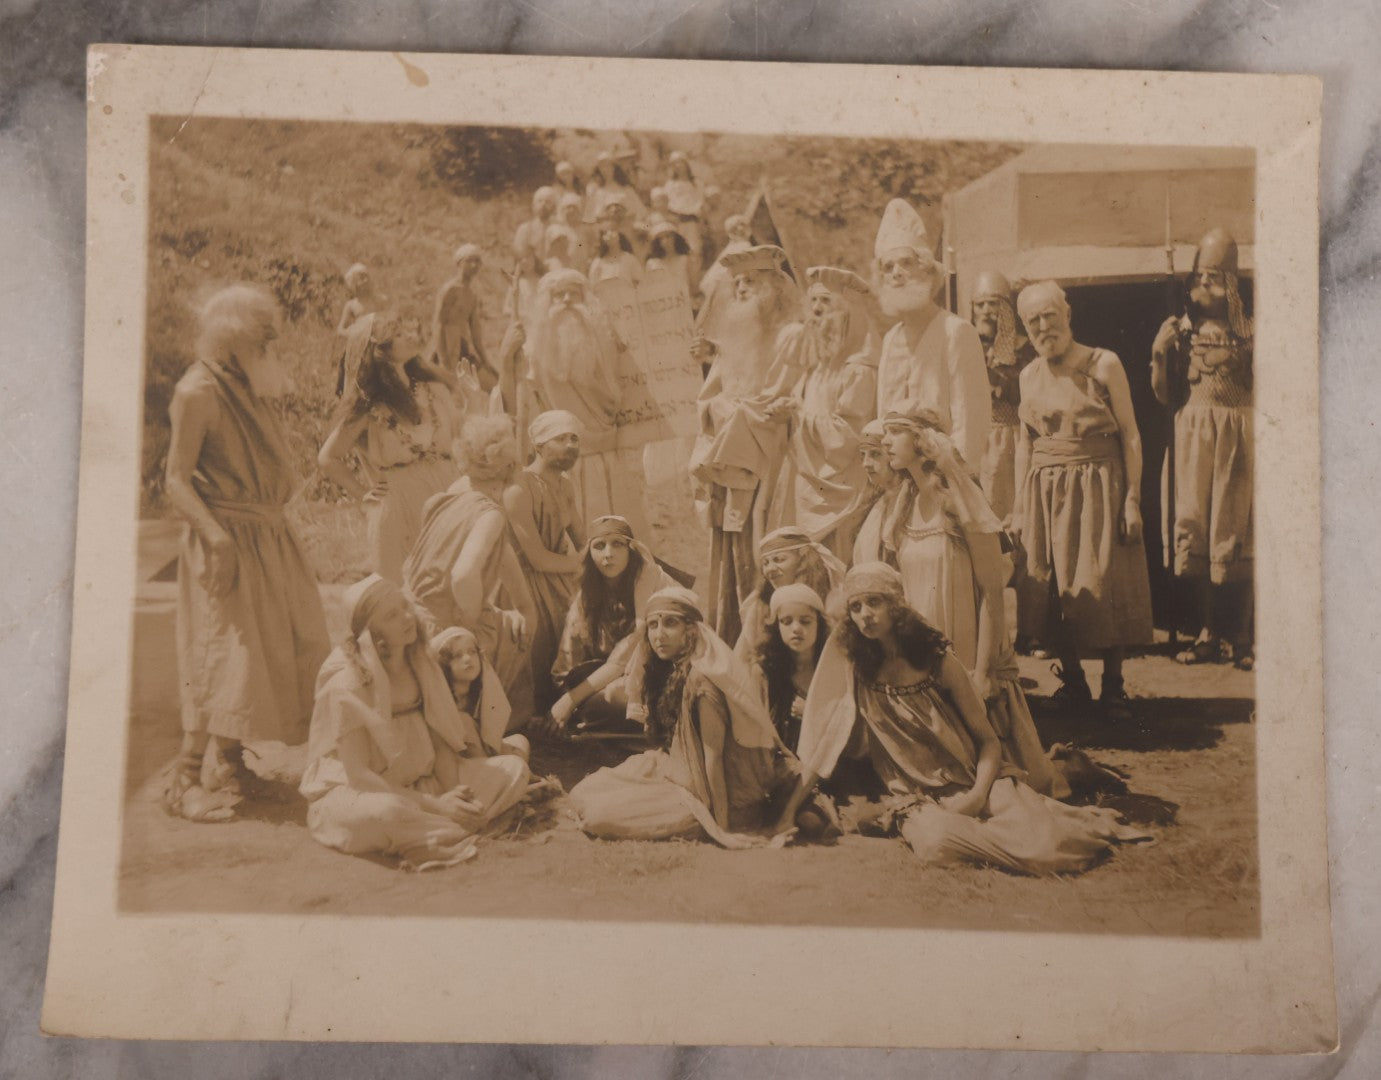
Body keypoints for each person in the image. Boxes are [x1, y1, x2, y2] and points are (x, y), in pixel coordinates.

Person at [779, 564, 1149, 873]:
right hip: (915, 796)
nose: (864, 615)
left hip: (974, 776)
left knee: (1048, 848)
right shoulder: (855, 666)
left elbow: (988, 742)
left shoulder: (937, 659)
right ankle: (998, 825)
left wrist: (974, 798)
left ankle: (1052, 787)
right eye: (856, 607)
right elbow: (822, 741)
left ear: (897, 606)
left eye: (874, 602)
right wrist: (787, 815)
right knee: (936, 845)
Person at [163, 284, 330, 822]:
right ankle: (183, 780)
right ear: (234, 339)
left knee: (262, 657)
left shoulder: (247, 383)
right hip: (227, 541)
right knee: (222, 659)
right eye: (265, 336)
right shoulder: (198, 392)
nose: (274, 343)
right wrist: (215, 537)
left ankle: (229, 767)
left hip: (267, 538)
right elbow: (174, 481)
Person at [879, 406, 1067, 797]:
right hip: (922, 645)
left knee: (1003, 768)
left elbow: (993, 595)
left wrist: (982, 672)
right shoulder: (903, 503)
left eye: (896, 432)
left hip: (964, 641)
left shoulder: (961, 502)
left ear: (924, 440)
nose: (884, 441)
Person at [300, 575, 530, 870]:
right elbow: (359, 776)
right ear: (372, 631)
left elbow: (439, 739)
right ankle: (444, 829)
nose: (408, 617)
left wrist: (452, 792)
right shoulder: (350, 684)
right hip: (369, 792)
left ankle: (437, 832)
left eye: (405, 607)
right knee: (388, 812)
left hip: (423, 785)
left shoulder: (422, 665)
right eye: (392, 615)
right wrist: (438, 805)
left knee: (513, 770)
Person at [1014, 281, 1154, 717]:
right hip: (1045, 489)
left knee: (1106, 578)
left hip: (1098, 484)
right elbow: (1025, 442)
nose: (1042, 326)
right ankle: (1072, 682)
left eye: (1048, 315)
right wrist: (1020, 506)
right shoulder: (1027, 375)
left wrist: (1132, 498)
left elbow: (1130, 434)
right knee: (1050, 583)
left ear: (1066, 314)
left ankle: (1113, 687)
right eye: (1032, 320)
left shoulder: (1102, 364)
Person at [568, 587, 795, 847]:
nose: (659, 634)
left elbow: (714, 759)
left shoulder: (702, 682)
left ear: (691, 630)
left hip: (710, 793)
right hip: (675, 768)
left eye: (670, 623)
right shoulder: (667, 668)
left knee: (599, 816)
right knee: (583, 792)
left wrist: (723, 830)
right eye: (653, 625)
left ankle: (703, 819)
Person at [1151, 228, 1254, 669]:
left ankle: (1244, 636)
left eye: (1215, 277)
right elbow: (1163, 394)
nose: (1205, 286)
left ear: (1231, 283)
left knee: (1236, 531)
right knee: (1195, 528)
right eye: (1200, 276)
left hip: (1237, 439)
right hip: (1192, 438)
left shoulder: (1250, 333)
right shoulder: (1182, 331)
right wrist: (1159, 353)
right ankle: (1208, 632)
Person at [688, 246, 803, 644]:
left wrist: (744, 415)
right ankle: (733, 635)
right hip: (729, 454)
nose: (740, 290)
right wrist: (722, 412)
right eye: (736, 284)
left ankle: (769, 637)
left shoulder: (791, 335)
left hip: (770, 456)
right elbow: (708, 398)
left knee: (764, 539)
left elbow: (788, 396)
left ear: (773, 288)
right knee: (731, 547)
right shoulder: (733, 337)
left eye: (749, 282)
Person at [403, 414, 540, 730]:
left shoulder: (444, 499)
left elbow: (500, 557)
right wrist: (472, 619)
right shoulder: (489, 514)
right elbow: (463, 575)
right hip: (441, 629)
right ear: (507, 468)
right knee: (501, 630)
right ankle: (488, 727)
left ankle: (484, 720)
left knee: (511, 619)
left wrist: (523, 607)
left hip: (412, 614)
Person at [318, 314, 462, 583]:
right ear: (380, 349)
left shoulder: (433, 388)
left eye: (407, 329)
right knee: (405, 590)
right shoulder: (370, 404)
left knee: (453, 583)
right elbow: (328, 458)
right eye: (397, 334)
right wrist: (364, 496)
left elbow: (460, 435)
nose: (409, 336)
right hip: (400, 504)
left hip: (444, 491)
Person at [518, 268, 658, 536]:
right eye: (559, 296)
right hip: (561, 453)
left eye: (574, 294)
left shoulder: (601, 342)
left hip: (603, 446)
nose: (567, 301)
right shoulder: (536, 350)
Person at [873, 199, 990, 469]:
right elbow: (883, 418)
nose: (897, 274)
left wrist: (951, 485)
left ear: (925, 268)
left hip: (945, 477)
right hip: (899, 479)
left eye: (906, 263)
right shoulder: (891, 339)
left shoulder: (956, 332)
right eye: (888, 267)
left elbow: (970, 427)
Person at [768, 266, 881, 545]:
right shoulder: (817, 369)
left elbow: (847, 436)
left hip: (841, 485)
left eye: (826, 301)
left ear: (848, 314)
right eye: (813, 301)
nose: (816, 310)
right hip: (807, 476)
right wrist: (789, 406)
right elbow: (806, 408)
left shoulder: (858, 371)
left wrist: (797, 414)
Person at [549, 515, 678, 729]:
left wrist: (570, 700)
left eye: (617, 544)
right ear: (589, 553)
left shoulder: (650, 582)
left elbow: (626, 654)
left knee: (614, 697)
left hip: (664, 670)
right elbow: (567, 657)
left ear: (630, 549)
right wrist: (561, 699)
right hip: (617, 676)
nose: (608, 554)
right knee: (599, 701)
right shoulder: (586, 597)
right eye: (599, 546)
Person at [502, 410, 586, 710]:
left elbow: (580, 536)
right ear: (538, 445)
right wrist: (584, 563)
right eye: (560, 438)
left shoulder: (564, 485)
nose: (570, 445)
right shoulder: (518, 487)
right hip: (522, 584)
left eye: (574, 438)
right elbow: (536, 558)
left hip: (558, 573)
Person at [970, 269, 1036, 525]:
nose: (986, 310)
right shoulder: (967, 345)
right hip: (977, 440)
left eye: (994, 303)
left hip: (1014, 439)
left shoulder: (1025, 349)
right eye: (980, 304)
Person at [735, 525, 846, 664]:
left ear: (803, 561)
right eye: (766, 563)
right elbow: (743, 656)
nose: (770, 569)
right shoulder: (760, 606)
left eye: (779, 560)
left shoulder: (832, 600)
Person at [431, 626, 533, 763]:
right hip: (457, 761)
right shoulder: (445, 701)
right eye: (457, 655)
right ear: (444, 665)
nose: (467, 659)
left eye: (472, 652)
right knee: (514, 762)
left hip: (478, 750)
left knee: (519, 741)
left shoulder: (475, 692)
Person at [749, 583, 829, 753]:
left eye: (805, 621)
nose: (796, 629)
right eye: (786, 622)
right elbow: (756, 732)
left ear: (819, 625)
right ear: (776, 627)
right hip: (780, 765)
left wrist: (811, 715)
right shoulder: (765, 672)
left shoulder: (832, 667)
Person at [430, 243, 499, 399]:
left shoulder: (472, 295)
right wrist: (443, 360)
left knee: (493, 385)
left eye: (477, 261)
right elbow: (438, 324)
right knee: (445, 396)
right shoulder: (449, 290)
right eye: (469, 261)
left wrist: (486, 361)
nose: (474, 265)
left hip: (461, 348)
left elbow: (475, 332)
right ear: (459, 263)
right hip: (444, 349)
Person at [333, 262, 379, 396]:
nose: (365, 280)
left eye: (366, 276)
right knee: (350, 369)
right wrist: (354, 333)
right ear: (353, 283)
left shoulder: (379, 301)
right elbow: (340, 329)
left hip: (377, 343)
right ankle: (346, 393)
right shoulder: (351, 305)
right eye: (360, 277)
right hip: (359, 345)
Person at [645, 221, 695, 300]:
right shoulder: (652, 264)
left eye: (668, 236)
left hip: (684, 305)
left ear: (675, 238)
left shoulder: (685, 259)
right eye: (661, 238)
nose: (665, 241)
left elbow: (693, 287)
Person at [513, 186, 558, 266]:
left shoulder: (559, 229)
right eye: (540, 201)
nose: (543, 204)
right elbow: (519, 256)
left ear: (554, 207)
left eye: (548, 202)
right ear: (533, 206)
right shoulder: (524, 229)